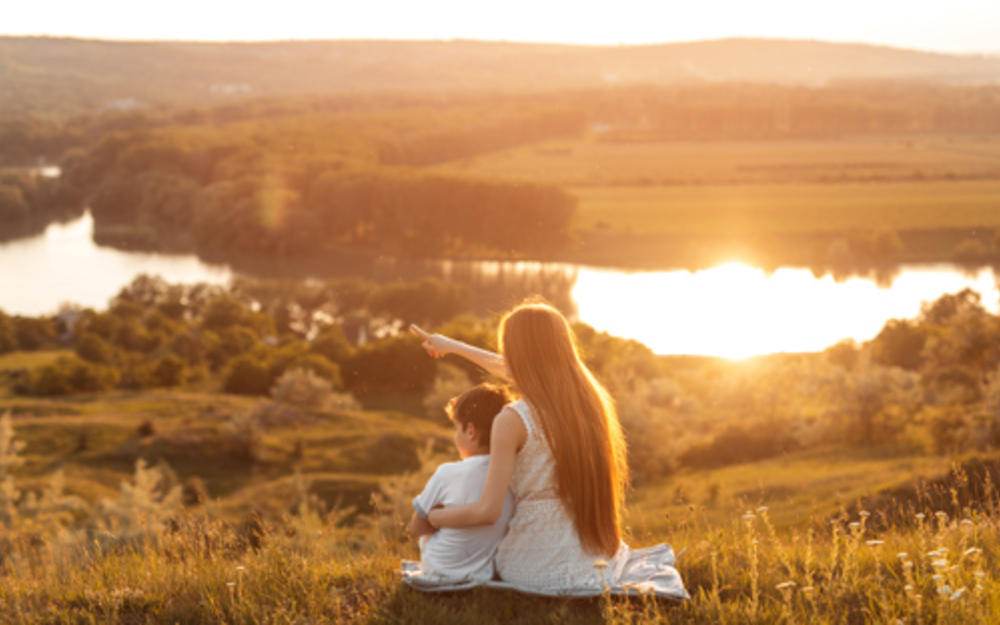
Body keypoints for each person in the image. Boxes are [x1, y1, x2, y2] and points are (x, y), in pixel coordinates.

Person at [410, 301, 629, 592]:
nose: (504, 358)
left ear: (518, 354)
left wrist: (435, 517)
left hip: (534, 566)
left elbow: (487, 511)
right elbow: (522, 372)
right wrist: (453, 346)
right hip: (599, 559)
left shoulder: (512, 420)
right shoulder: (591, 402)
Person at [406, 383, 514, 584]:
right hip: (483, 574)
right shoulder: (513, 473)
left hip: (440, 568)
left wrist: (436, 517)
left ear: (470, 430)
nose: (455, 436)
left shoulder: (447, 472)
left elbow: (416, 528)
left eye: (457, 428)